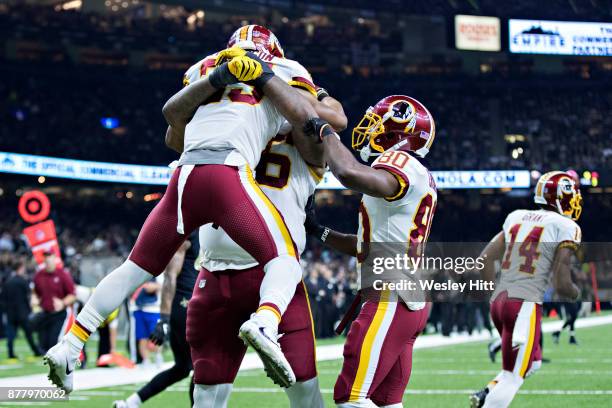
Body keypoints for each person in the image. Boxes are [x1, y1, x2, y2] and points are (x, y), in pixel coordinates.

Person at [45, 24, 336, 392]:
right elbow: (306, 117)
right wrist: (265, 77)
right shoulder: (285, 68)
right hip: (227, 173)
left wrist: (218, 78)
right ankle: (265, 321)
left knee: (133, 269)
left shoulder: (205, 65)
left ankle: (71, 343)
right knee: (285, 259)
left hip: (182, 178)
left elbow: (171, 125)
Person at [187, 87, 345, 407]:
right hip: (239, 271)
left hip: (245, 272)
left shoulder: (224, 126)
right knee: (301, 391)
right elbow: (333, 116)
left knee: (210, 393)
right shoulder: (297, 132)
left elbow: (331, 119)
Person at [305, 95, 437, 407]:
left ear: (399, 131)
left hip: (390, 298)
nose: (371, 128)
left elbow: (348, 173)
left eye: (379, 122)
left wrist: (327, 133)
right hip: (406, 299)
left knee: (351, 397)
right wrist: (317, 230)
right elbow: (365, 245)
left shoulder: (401, 164)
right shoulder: (417, 174)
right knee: (386, 402)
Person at [470, 171, 583, 408]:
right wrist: (577, 294)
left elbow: (484, 259)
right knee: (513, 376)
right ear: (562, 196)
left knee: (532, 363)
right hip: (523, 304)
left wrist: (494, 293)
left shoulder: (516, 217)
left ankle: (485, 395)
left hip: (501, 300)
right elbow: (563, 285)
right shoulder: (566, 225)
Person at [114, 233, 199, 408]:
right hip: (185, 304)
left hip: (195, 304)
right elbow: (170, 276)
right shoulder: (191, 233)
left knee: (183, 368)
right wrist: (164, 319)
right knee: (202, 365)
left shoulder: (212, 231)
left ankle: (130, 403)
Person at [33, 251, 76, 353]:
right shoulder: (39, 275)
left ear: (54, 258)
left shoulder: (62, 274)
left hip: (59, 315)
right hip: (44, 314)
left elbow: (72, 294)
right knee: (43, 346)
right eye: (46, 257)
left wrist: (63, 302)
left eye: (50, 256)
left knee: (55, 343)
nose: (47, 259)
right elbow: (35, 291)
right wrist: (34, 298)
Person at [2, 258, 42, 360]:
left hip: (11, 313)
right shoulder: (23, 281)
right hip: (23, 313)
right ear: (20, 268)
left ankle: (10, 354)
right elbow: (28, 296)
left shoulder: (8, 282)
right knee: (29, 334)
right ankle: (36, 351)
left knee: (11, 335)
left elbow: (3, 298)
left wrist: (6, 310)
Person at [132, 276, 162, 364]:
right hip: (138, 308)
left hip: (153, 309)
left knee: (156, 336)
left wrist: (151, 286)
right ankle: (146, 360)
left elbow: (153, 288)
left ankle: (158, 356)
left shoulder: (159, 273)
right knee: (142, 337)